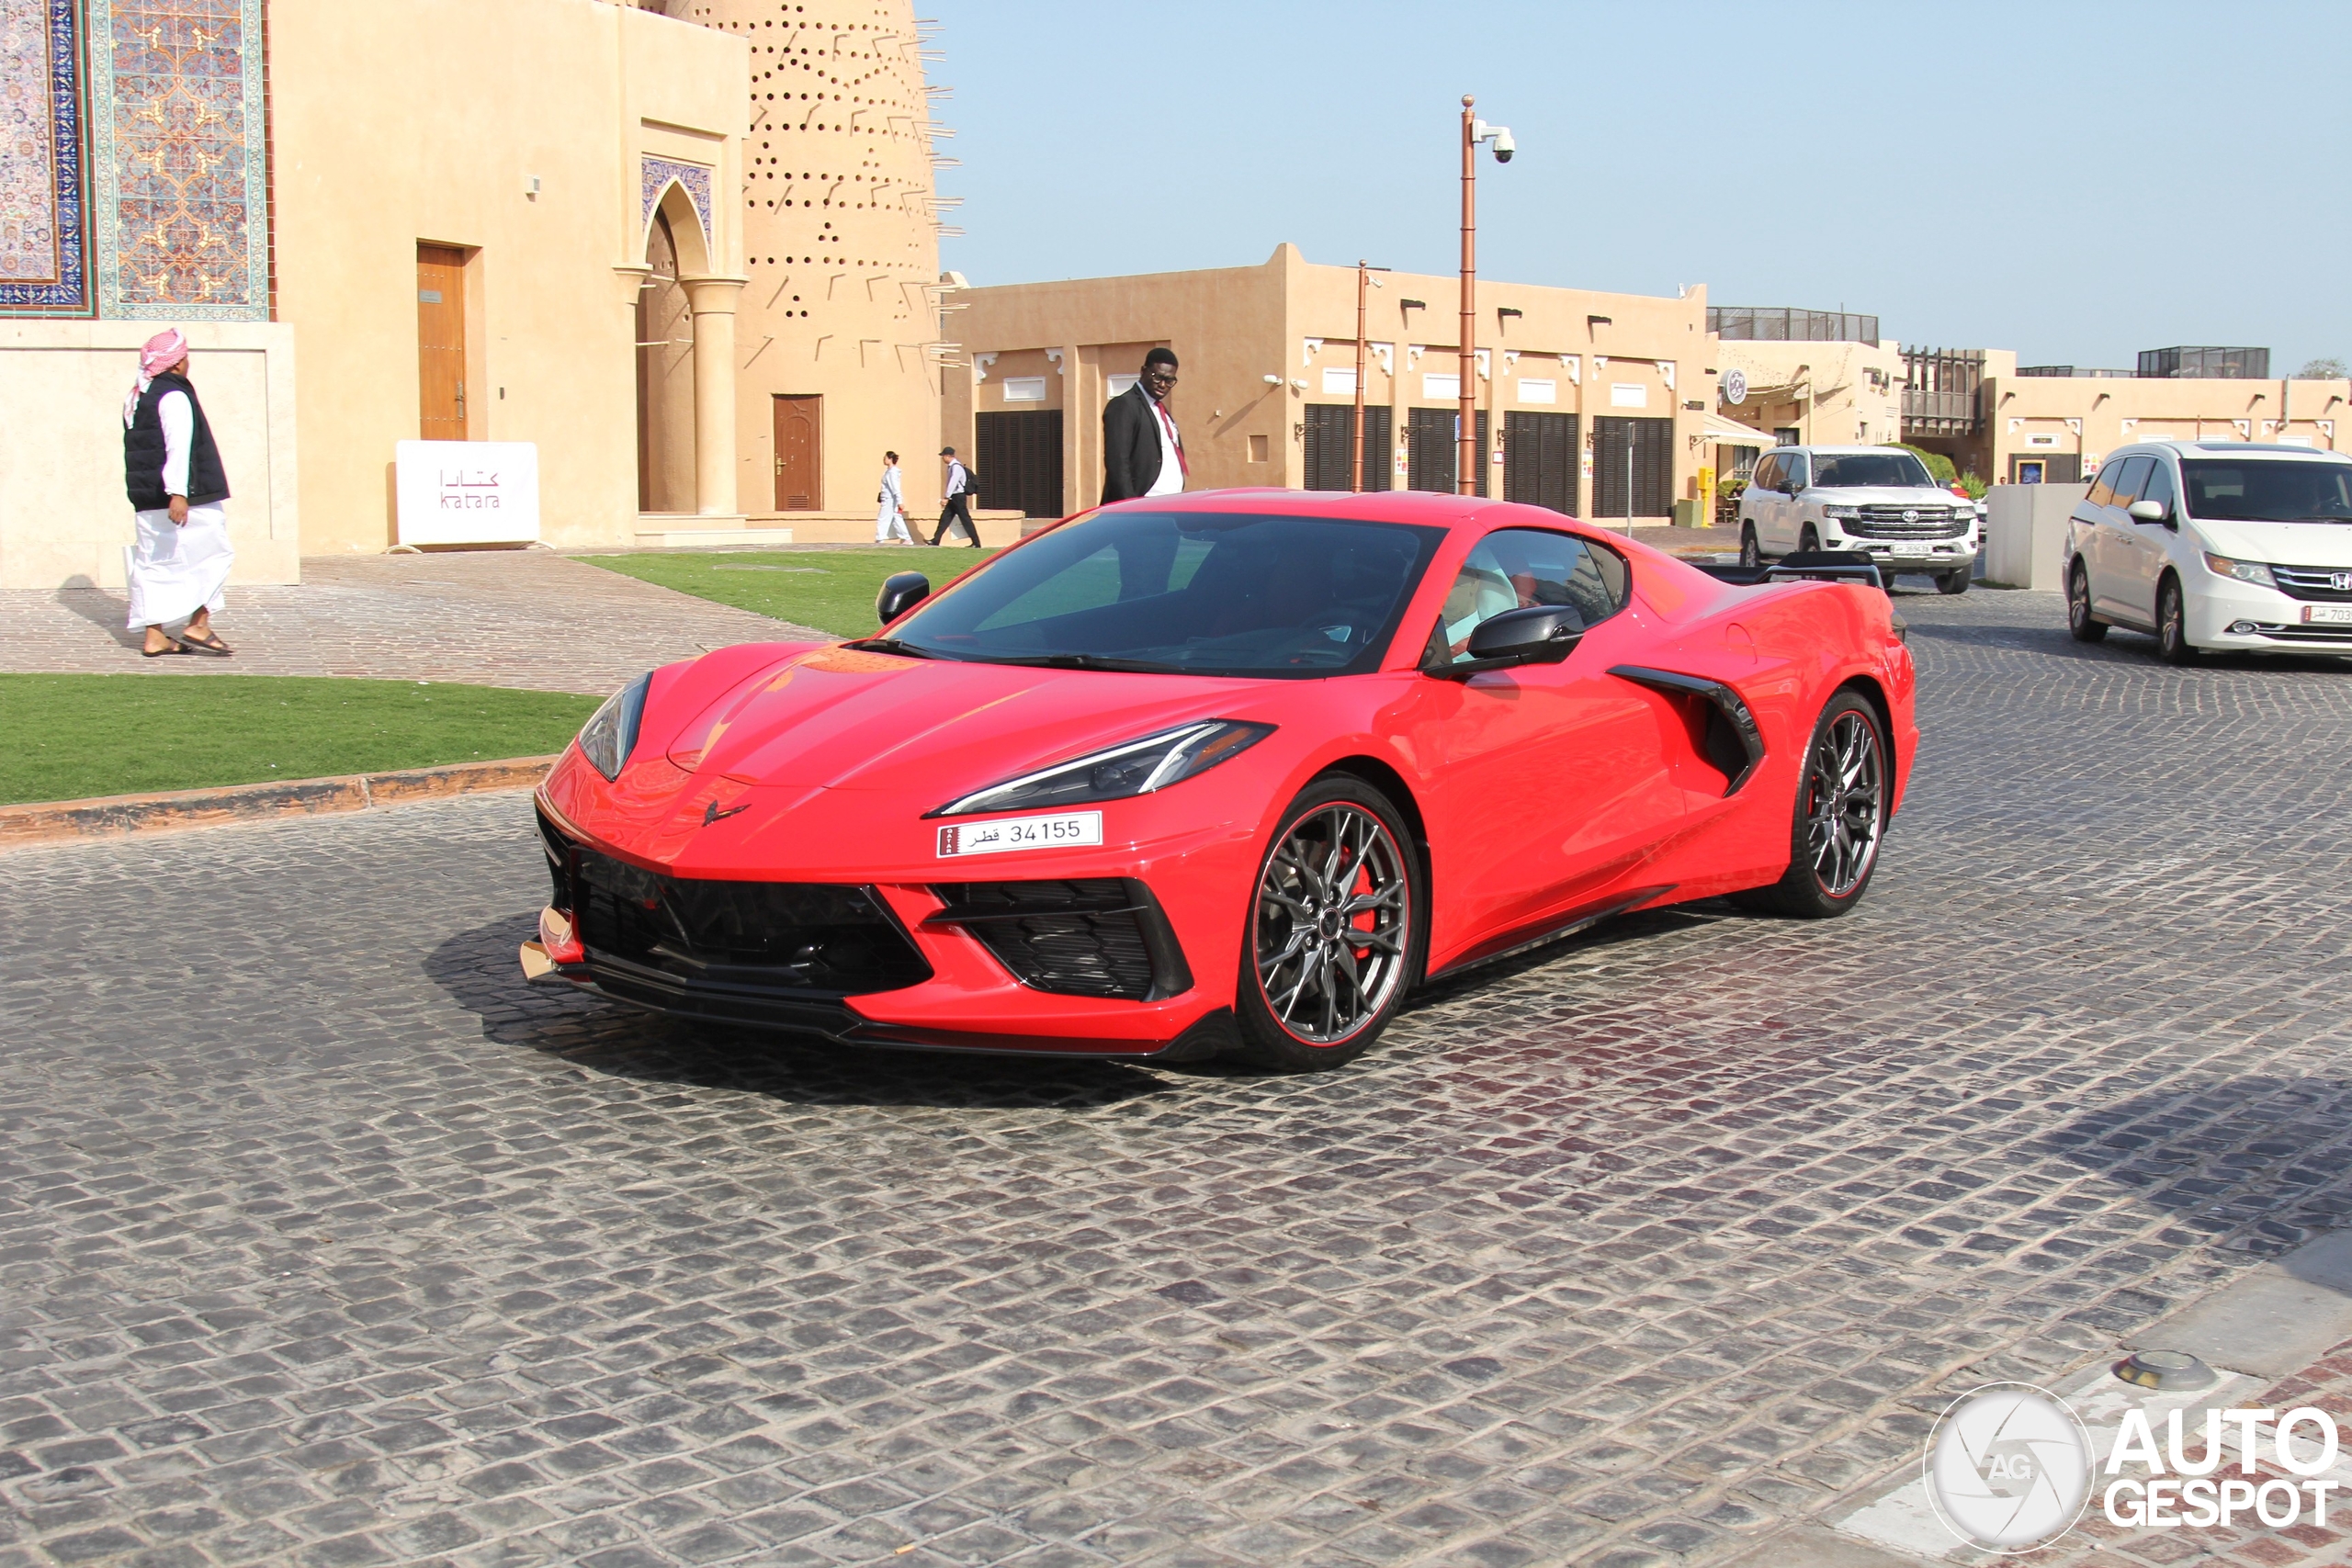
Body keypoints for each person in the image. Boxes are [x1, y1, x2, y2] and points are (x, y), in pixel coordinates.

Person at [123, 328, 235, 656]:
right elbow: (178, 447)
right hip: (185, 497)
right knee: (214, 555)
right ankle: (198, 623)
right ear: (175, 363)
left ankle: (155, 637)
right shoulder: (173, 395)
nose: (188, 363)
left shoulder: (139, 396)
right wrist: (178, 493)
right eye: (185, 357)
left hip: (147, 497)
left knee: (154, 564)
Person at [1101, 347, 1187, 503]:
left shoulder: (1162, 413)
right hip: (1141, 506)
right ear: (1143, 371)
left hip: (1171, 503)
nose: (1162, 385)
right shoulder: (1125, 405)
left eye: (1169, 380)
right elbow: (1118, 462)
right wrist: (1131, 505)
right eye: (1157, 377)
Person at [931, 446, 978, 547]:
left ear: (948, 456)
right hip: (954, 497)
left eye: (943, 456)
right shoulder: (952, 467)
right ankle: (936, 540)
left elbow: (953, 483)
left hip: (958, 497)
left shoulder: (956, 467)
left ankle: (976, 542)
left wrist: (946, 497)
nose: (942, 458)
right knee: (945, 518)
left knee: (965, 519)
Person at [874, 450, 911, 544]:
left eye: (885, 458)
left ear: (890, 459)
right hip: (888, 498)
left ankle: (880, 538)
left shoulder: (892, 473)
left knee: (883, 518)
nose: (884, 459)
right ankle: (906, 538)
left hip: (889, 499)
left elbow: (895, 488)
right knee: (896, 518)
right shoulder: (889, 472)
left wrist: (900, 501)